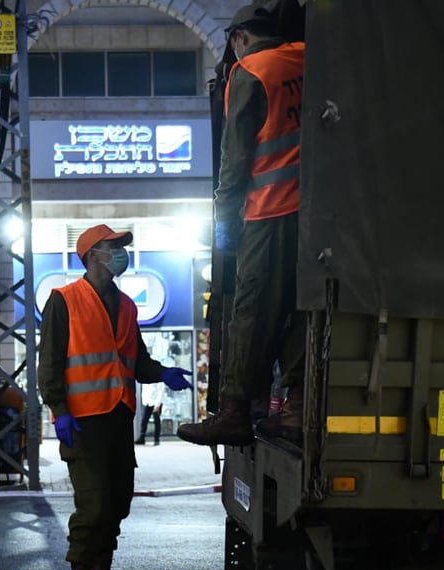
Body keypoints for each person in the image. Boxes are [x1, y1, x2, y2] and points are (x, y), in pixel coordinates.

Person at [38, 224, 193, 570]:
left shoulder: (126, 306)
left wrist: (163, 373)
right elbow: (50, 364)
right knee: (93, 507)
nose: (122, 253)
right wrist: (59, 411)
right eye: (114, 247)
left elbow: (136, 363)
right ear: (91, 255)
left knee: (117, 503)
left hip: (119, 419)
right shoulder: (64, 301)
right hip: (83, 422)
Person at [177, 2, 306, 447]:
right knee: (299, 307)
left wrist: (225, 222)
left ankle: (233, 411)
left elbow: (234, 161)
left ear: (239, 38)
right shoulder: (309, 59)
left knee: (252, 309)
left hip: (270, 212)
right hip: (316, 216)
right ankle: (296, 406)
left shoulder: (251, 71)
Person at [135, 380, 164, 445]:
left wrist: (158, 404)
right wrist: (144, 400)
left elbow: (161, 391)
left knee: (156, 421)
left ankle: (157, 439)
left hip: (156, 402)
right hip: (147, 401)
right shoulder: (146, 378)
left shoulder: (158, 377)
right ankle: (142, 438)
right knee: (144, 420)